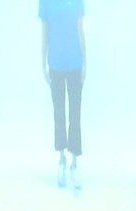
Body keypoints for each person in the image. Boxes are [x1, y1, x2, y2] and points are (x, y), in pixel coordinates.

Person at [40, 0, 86, 190]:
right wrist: (43, 63)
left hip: (75, 64)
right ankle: (62, 160)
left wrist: (85, 62)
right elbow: (45, 32)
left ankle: (74, 163)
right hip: (55, 65)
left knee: (75, 114)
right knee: (59, 114)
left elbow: (80, 29)